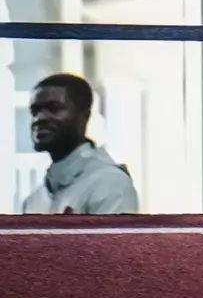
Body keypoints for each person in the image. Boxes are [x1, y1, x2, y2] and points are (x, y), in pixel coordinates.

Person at [21, 73, 138, 215]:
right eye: (34, 111)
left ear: (84, 116)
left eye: (54, 108)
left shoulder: (109, 183)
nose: (39, 118)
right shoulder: (34, 201)